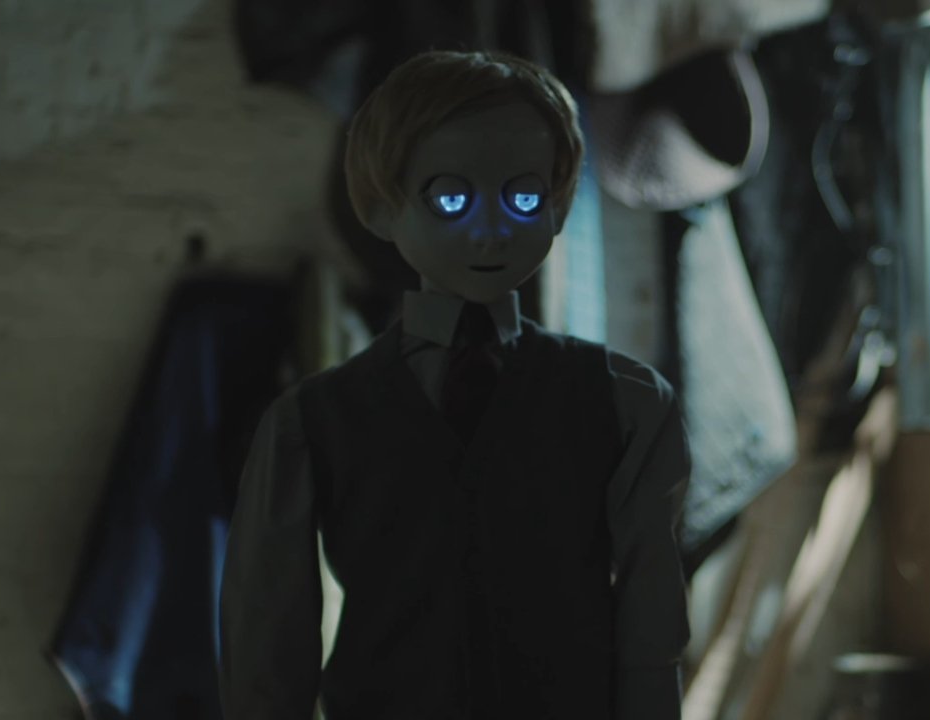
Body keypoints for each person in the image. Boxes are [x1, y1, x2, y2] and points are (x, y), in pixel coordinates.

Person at [219, 50, 690, 720]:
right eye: (450, 198)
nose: (490, 229)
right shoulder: (310, 423)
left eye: (524, 198)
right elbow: (265, 663)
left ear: (558, 209)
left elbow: (652, 638)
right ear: (381, 208)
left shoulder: (629, 403)